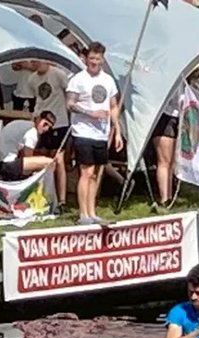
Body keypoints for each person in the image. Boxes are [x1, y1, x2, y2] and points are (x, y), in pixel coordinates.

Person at [66, 42, 122, 225]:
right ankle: (83, 214)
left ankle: (92, 211)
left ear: (102, 60)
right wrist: (90, 113)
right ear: (86, 59)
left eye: (97, 59)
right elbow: (70, 104)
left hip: (101, 133)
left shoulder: (108, 80)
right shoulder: (78, 79)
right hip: (83, 131)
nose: (94, 62)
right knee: (86, 171)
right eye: (91, 58)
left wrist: (117, 131)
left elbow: (113, 106)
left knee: (96, 173)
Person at [30, 60, 71, 205]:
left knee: (58, 159)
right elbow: (38, 100)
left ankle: (62, 199)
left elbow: (68, 94)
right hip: (41, 122)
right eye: (33, 62)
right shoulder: (32, 79)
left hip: (59, 122)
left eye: (38, 61)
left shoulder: (58, 74)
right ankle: (44, 194)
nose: (36, 64)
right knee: (42, 157)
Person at [0, 111, 60, 183]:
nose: (46, 129)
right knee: (50, 162)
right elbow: (28, 158)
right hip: (6, 165)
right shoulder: (32, 132)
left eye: (49, 127)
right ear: (38, 119)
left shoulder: (25, 124)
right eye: (45, 124)